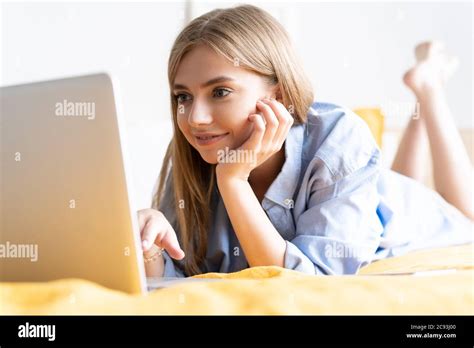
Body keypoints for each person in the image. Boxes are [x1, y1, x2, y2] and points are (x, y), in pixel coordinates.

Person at [137, 5, 473, 278]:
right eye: (183, 96)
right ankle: (421, 95)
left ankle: (428, 90)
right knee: (397, 183)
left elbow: (309, 281)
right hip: (379, 201)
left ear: (278, 93)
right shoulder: (195, 152)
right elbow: (178, 275)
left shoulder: (337, 136)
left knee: (464, 214)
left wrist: (233, 181)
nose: (195, 118)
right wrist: (148, 245)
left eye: (220, 92)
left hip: (415, 217)